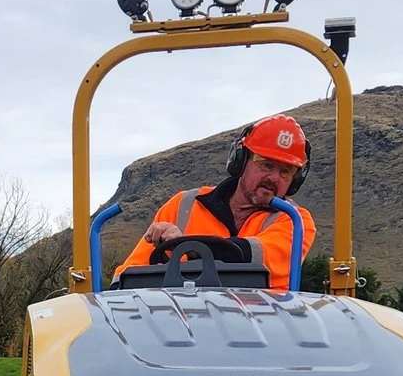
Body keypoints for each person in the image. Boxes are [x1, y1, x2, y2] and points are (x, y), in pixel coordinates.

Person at [116, 113, 311, 285]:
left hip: (258, 316)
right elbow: (127, 277)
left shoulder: (296, 220)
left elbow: (256, 256)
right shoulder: (182, 205)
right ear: (241, 161)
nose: (274, 178)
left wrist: (186, 246)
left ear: (295, 180)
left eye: (286, 171)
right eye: (266, 165)